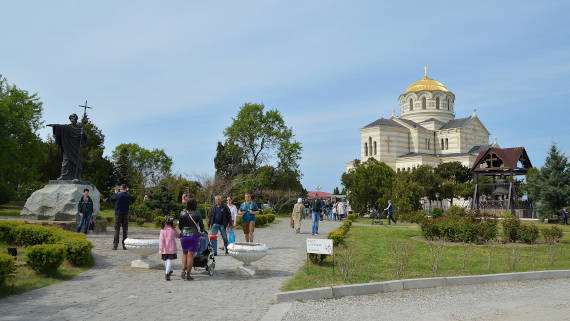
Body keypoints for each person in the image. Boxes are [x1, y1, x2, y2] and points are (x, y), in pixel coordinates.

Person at [179, 198, 204, 281]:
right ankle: (188, 275)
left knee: (184, 253)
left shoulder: (182, 213)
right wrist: (201, 230)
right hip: (193, 235)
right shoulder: (197, 213)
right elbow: (202, 225)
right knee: (191, 256)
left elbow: (180, 226)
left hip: (183, 235)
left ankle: (183, 270)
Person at [108, 185, 132, 250]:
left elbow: (111, 199)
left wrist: (115, 193)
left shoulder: (117, 195)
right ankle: (124, 245)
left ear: (121, 189)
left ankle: (115, 245)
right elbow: (130, 202)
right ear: (126, 189)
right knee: (125, 230)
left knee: (117, 230)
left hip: (118, 214)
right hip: (126, 214)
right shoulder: (128, 195)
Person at [159, 216, 179, 281]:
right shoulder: (173, 230)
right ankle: (167, 273)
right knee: (169, 260)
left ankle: (168, 271)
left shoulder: (162, 230)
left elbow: (161, 240)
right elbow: (178, 236)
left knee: (166, 260)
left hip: (164, 248)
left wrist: (161, 247)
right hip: (171, 248)